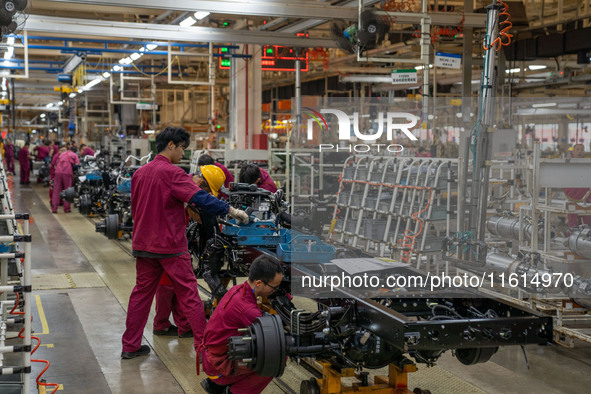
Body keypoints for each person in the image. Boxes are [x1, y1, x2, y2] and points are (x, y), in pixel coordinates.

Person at [121, 127, 249, 361]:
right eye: (182, 148)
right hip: (169, 245)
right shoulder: (173, 173)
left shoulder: (139, 174)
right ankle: (205, 345)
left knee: (140, 295)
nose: (183, 154)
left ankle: (130, 346)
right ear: (171, 144)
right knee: (189, 294)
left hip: (143, 244)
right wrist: (230, 210)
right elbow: (200, 198)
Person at [154, 164, 227, 339]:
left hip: (168, 240)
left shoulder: (183, 184)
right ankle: (179, 326)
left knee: (172, 284)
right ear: (202, 183)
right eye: (207, 192)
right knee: (175, 285)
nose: (206, 197)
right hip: (167, 242)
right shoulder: (184, 187)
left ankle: (172, 325)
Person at [200, 255, 283, 394]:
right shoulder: (248, 310)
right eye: (274, 287)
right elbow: (271, 340)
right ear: (259, 283)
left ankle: (216, 386)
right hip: (218, 366)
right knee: (276, 357)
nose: (275, 291)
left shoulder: (238, 289)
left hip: (211, 358)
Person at [564, 144, 591, 228]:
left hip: (586, 196)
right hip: (572, 195)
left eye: (582, 150)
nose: (579, 152)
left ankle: (585, 236)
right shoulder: (567, 162)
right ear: (573, 151)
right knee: (573, 221)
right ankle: (572, 237)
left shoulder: (587, 163)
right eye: (577, 150)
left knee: (586, 220)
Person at [51, 146, 79, 213]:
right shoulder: (75, 155)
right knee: (68, 191)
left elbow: (56, 164)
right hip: (67, 172)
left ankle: (54, 208)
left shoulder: (62, 154)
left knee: (56, 190)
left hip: (58, 172)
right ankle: (66, 209)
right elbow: (77, 165)